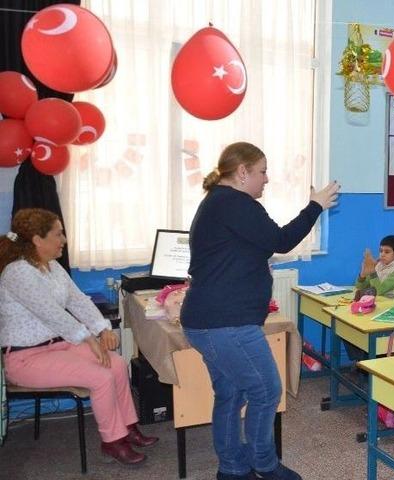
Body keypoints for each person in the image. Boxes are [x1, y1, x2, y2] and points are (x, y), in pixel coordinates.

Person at [180, 142, 339, 480]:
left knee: (231, 392)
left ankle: (233, 469)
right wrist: (315, 206)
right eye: (262, 171)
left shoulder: (219, 202)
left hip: (209, 320)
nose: (266, 179)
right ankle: (264, 466)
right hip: (226, 322)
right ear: (242, 173)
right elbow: (280, 240)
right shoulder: (236, 204)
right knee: (266, 390)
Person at [0, 208, 157, 466]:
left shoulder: (51, 267)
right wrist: (89, 339)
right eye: (58, 234)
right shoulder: (17, 273)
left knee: (116, 363)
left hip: (58, 347)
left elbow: (79, 301)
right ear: (38, 240)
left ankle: (128, 428)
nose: (63, 240)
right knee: (101, 376)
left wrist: (102, 328)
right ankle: (112, 442)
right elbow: (52, 315)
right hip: (23, 359)